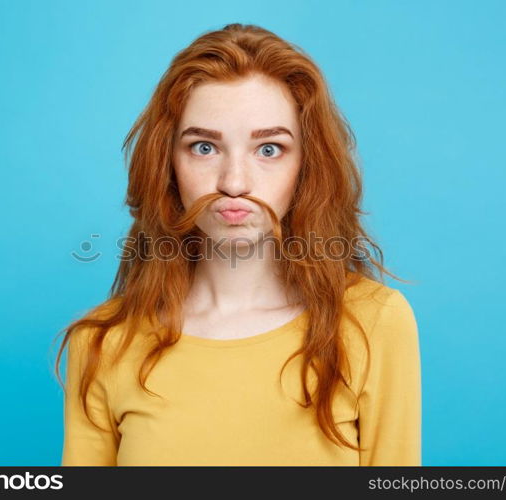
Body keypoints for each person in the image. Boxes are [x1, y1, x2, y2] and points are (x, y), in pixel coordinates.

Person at [54, 23, 421, 466]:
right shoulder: (103, 342)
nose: (234, 183)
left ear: (307, 165)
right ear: (167, 162)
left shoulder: (372, 323)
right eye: (204, 147)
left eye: (269, 149)